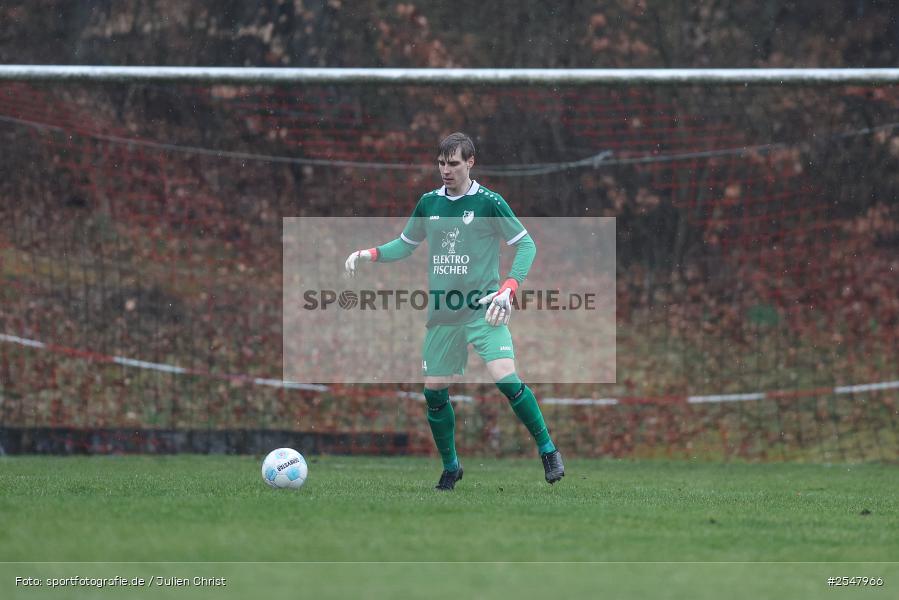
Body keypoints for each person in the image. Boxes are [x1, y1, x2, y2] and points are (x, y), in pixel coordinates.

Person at [345, 132, 564, 490]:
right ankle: (451, 466)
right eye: (442, 163)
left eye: (454, 163)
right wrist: (369, 254)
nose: (446, 170)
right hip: (444, 316)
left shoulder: (490, 202)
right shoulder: (429, 203)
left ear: (470, 162)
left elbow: (526, 244)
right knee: (434, 393)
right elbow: (405, 245)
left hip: (483, 311)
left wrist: (508, 288)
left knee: (507, 379)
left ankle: (548, 450)